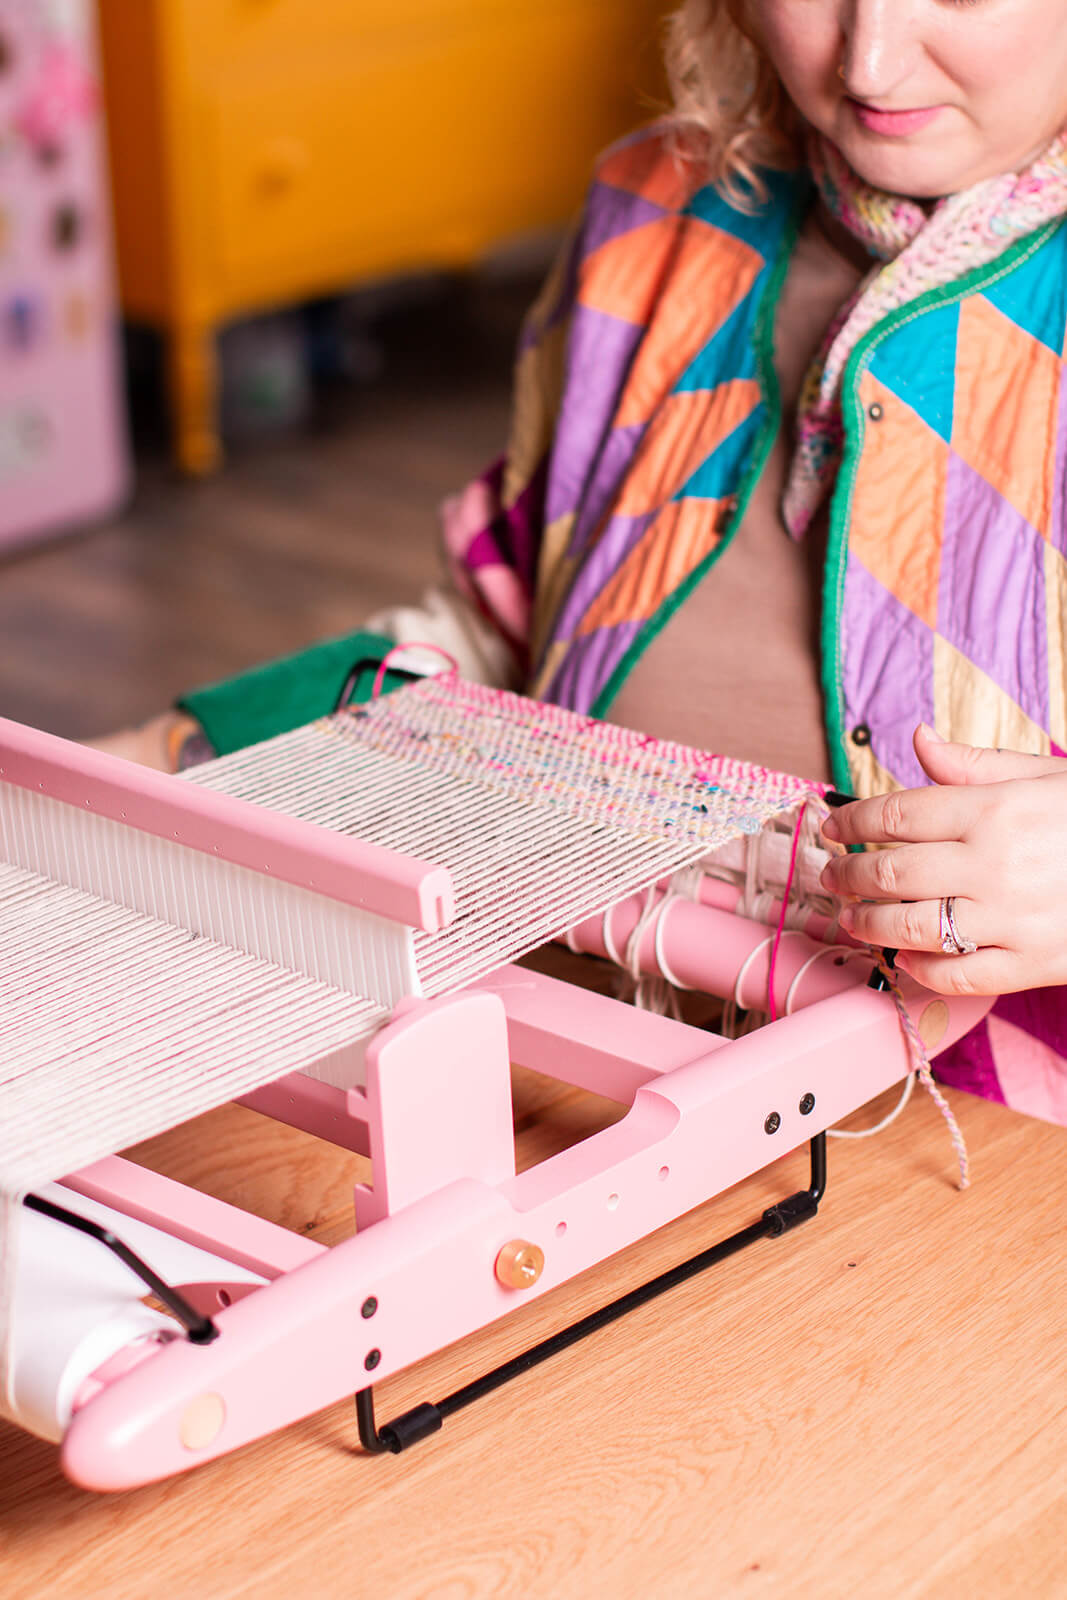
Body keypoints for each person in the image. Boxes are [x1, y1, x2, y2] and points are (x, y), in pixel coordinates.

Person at [96, 0, 1067, 1124]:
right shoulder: (651, 217)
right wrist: (179, 752)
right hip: (573, 1068)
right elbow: (500, 638)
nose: (869, 58)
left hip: (969, 1154)